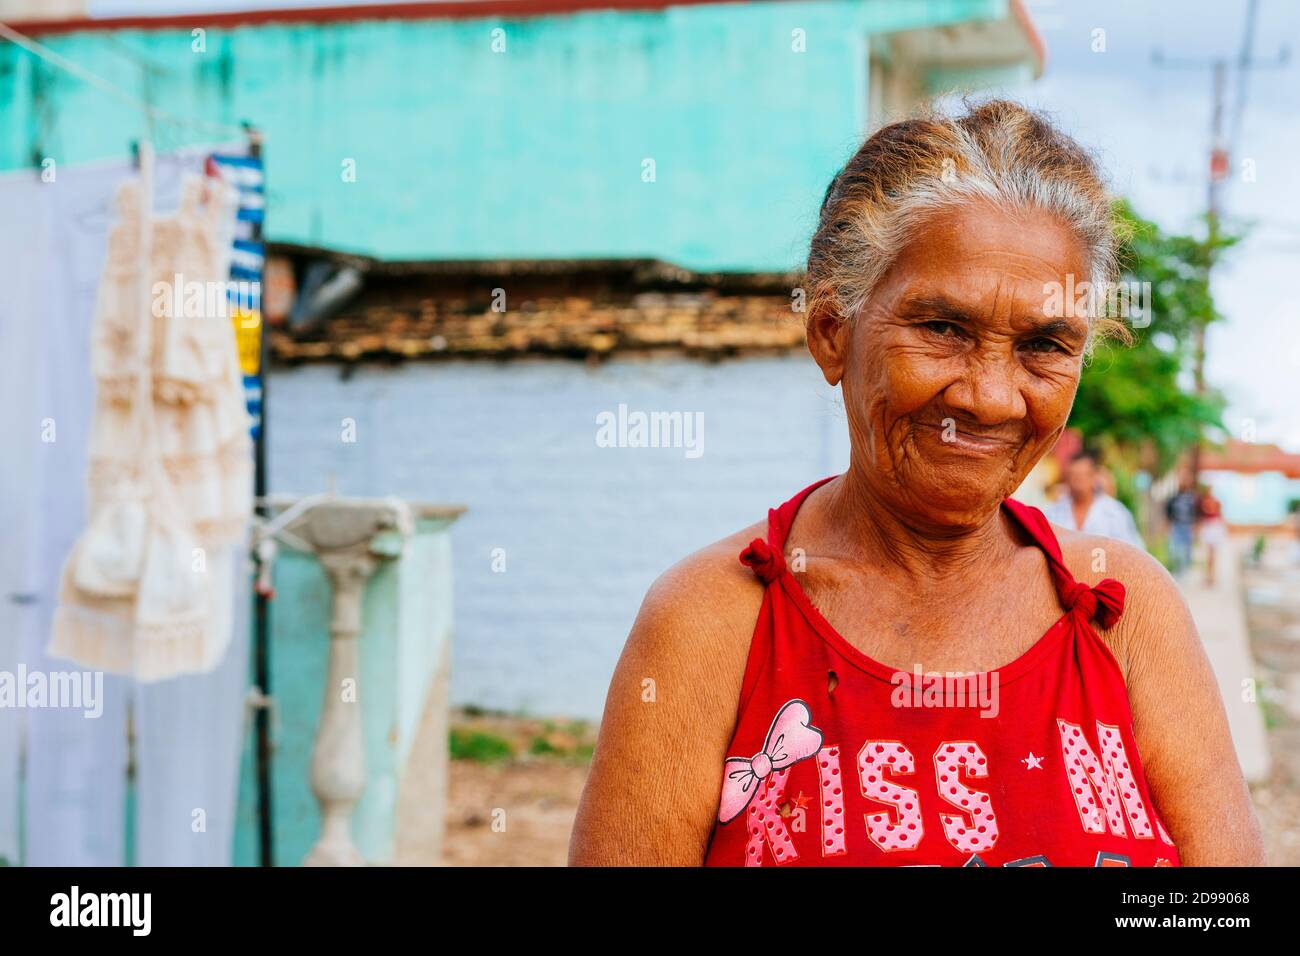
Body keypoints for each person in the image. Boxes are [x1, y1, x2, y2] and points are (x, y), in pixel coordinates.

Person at [569, 100, 1261, 867]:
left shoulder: (1124, 615)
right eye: (942, 329)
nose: (991, 397)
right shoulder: (712, 624)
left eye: (1044, 344)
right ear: (833, 335)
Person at [1042, 450, 1145, 550]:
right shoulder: (1053, 513)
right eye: (1074, 476)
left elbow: (1134, 549)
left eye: (1082, 476)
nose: (1078, 482)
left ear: (1093, 476)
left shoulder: (1114, 512)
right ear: (1067, 478)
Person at [1165, 480, 1199, 575]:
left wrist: (1195, 525)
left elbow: (1195, 512)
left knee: (1187, 548)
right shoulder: (1174, 498)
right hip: (1177, 526)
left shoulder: (1191, 499)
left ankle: (1185, 568)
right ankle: (1177, 567)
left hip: (1187, 526)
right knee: (1176, 548)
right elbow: (1169, 511)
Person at [1198, 487, 1228, 589]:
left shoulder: (1216, 503)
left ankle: (1212, 576)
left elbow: (1220, 515)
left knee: (1213, 554)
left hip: (1214, 528)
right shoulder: (1203, 503)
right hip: (1208, 527)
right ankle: (1208, 576)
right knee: (1208, 554)